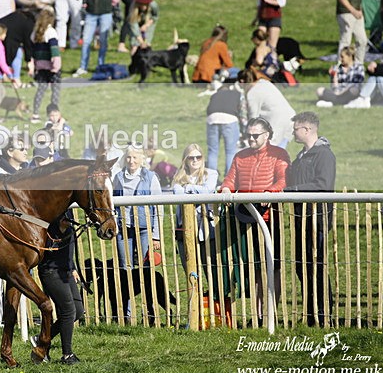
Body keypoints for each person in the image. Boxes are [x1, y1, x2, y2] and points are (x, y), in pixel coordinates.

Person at [219, 117, 290, 318]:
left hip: (269, 217)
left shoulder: (279, 154)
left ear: (266, 135)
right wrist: (225, 188)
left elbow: (284, 179)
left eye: (255, 135)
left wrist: (271, 192)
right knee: (255, 266)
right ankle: (259, 314)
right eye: (248, 135)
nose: (251, 138)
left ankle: (272, 312)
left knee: (273, 265)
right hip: (245, 216)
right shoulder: (241, 156)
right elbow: (230, 178)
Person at [285, 112, 336, 327]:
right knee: (301, 265)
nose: (293, 132)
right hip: (301, 215)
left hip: (317, 216)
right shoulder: (302, 156)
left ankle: (323, 312)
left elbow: (323, 184)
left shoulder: (323, 155)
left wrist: (292, 190)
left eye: (296, 128)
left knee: (316, 265)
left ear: (307, 130)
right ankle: (311, 311)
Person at [34, 216, 84, 365]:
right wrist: (59, 231)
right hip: (51, 272)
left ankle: (41, 338)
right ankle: (67, 354)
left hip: (66, 272)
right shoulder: (49, 230)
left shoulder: (71, 230)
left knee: (78, 311)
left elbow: (69, 252)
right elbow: (47, 252)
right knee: (68, 311)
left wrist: (73, 268)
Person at [172, 143, 219, 277]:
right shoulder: (178, 175)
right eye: (191, 157)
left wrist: (188, 188)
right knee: (190, 267)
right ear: (185, 159)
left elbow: (208, 191)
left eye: (198, 157)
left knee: (210, 265)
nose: (195, 160)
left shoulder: (211, 173)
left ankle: (214, 294)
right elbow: (178, 195)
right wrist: (198, 191)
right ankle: (195, 295)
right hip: (185, 227)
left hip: (205, 227)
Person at [113, 144, 162, 269]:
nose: (131, 161)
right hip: (123, 227)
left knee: (145, 265)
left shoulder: (151, 178)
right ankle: (129, 288)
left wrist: (156, 236)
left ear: (141, 159)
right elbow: (112, 204)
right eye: (128, 157)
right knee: (125, 265)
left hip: (144, 228)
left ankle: (146, 288)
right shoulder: (118, 177)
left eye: (135, 157)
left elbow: (158, 207)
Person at [73, 0, 120, 77]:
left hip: (106, 12)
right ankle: (83, 66)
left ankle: (101, 65)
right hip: (91, 12)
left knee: (103, 40)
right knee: (86, 40)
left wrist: (112, 5)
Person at [238, 68, 295, 147]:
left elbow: (253, 119)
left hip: (278, 123)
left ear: (241, 82)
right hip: (291, 119)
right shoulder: (265, 82)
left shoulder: (252, 93)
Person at [332, 0, 368, 65]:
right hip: (345, 12)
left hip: (357, 12)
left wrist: (360, 10)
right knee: (345, 40)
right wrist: (352, 10)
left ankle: (358, 64)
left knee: (362, 40)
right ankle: (341, 65)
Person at [28, 8, 61, 122]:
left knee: (40, 90)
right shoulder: (51, 32)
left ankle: (35, 114)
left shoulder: (35, 33)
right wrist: (56, 66)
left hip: (40, 66)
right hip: (51, 67)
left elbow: (31, 52)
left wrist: (32, 65)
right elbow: (54, 51)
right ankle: (53, 115)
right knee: (55, 91)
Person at [205, 78, 242, 176]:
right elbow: (241, 110)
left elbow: (208, 110)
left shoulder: (214, 95)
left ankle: (211, 179)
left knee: (212, 151)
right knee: (230, 151)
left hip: (212, 119)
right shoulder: (236, 94)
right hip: (229, 119)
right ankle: (229, 179)